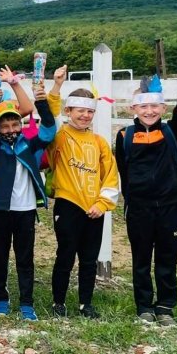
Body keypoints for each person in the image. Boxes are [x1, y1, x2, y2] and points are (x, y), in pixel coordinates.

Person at [116, 72, 177, 327]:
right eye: (143, 106)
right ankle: (144, 306)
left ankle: (165, 307)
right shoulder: (124, 136)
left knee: (167, 258)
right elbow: (123, 171)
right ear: (134, 108)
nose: (149, 111)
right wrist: (131, 200)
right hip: (139, 208)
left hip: (170, 208)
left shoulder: (172, 131)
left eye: (154, 106)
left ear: (163, 108)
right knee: (140, 258)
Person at [0, 80, 56, 321]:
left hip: (25, 210)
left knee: (25, 257)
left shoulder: (30, 145)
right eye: (5, 125)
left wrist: (41, 101)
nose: (11, 129)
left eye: (15, 123)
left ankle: (26, 303)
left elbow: (50, 130)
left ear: (21, 125)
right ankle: (1, 299)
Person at [45, 88, 119, 319]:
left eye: (90, 111)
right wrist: (56, 87)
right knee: (65, 255)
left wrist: (103, 203)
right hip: (68, 204)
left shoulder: (99, 142)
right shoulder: (60, 136)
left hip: (94, 208)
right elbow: (50, 115)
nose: (85, 115)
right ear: (69, 111)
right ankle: (59, 302)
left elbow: (110, 175)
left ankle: (85, 303)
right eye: (80, 111)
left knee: (89, 259)